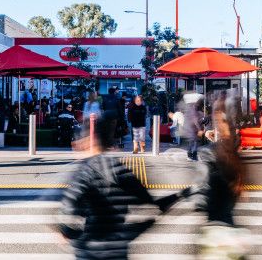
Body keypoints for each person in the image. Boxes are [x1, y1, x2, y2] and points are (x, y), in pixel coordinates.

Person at [60, 117, 189, 259]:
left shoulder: (84, 171)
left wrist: (70, 234)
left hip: (89, 252)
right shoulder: (122, 170)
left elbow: (69, 211)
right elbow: (153, 205)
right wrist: (181, 195)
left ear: (87, 142)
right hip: (118, 251)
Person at [193, 93, 249, 258]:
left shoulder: (210, 154)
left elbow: (201, 199)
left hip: (215, 235)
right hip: (233, 233)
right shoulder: (237, 157)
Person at [183, 93, 204, 161]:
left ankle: (190, 156)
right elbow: (195, 120)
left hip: (189, 128)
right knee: (195, 142)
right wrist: (199, 129)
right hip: (192, 129)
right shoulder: (193, 109)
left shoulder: (188, 109)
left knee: (191, 142)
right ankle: (193, 156)